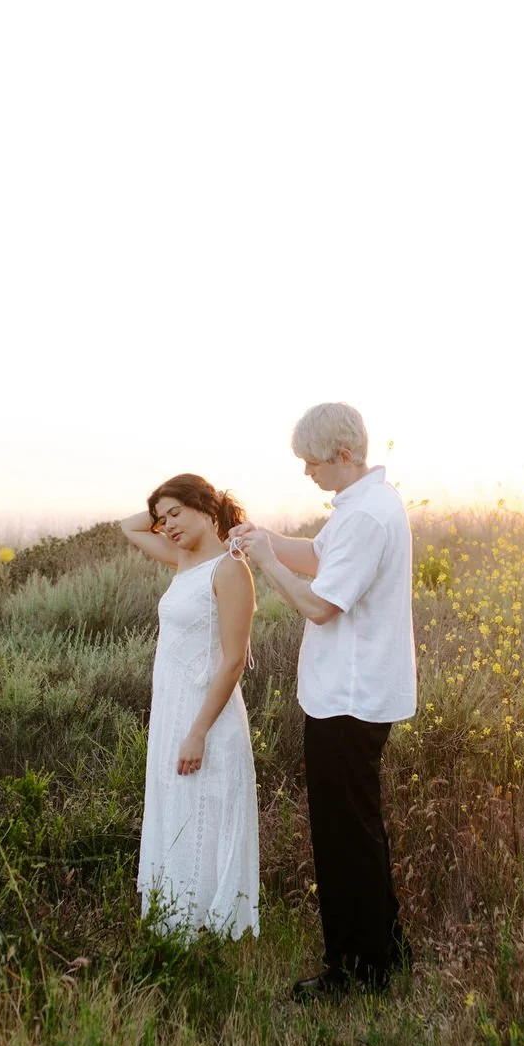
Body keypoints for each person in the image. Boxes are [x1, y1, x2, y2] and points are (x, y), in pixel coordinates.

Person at [228, 403, 416, 996]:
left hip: (349, 698)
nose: (307, 473)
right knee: (360, 828)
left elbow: (319, 604)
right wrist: (268, 540)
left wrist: (264, 564)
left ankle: (355, 972)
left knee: (342, 837)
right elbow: (317, 554)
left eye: (312, 462)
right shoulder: (363, 505)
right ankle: (386, 953)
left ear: (343, 456)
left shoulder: (366, 518)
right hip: (351, 694)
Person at [121, 474, 259, 941]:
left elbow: (234, 659)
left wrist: (199, 730)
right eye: (162, 519)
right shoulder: (184, 559)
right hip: (172, 711)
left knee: (207, 810)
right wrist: (162, 507)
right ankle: (176, 920)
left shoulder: (230, 569)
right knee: (177, 807)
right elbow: (129, 526)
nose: (165, 526)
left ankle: (211, 929)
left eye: (176, 513)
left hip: (208, 718)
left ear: (205, 505)